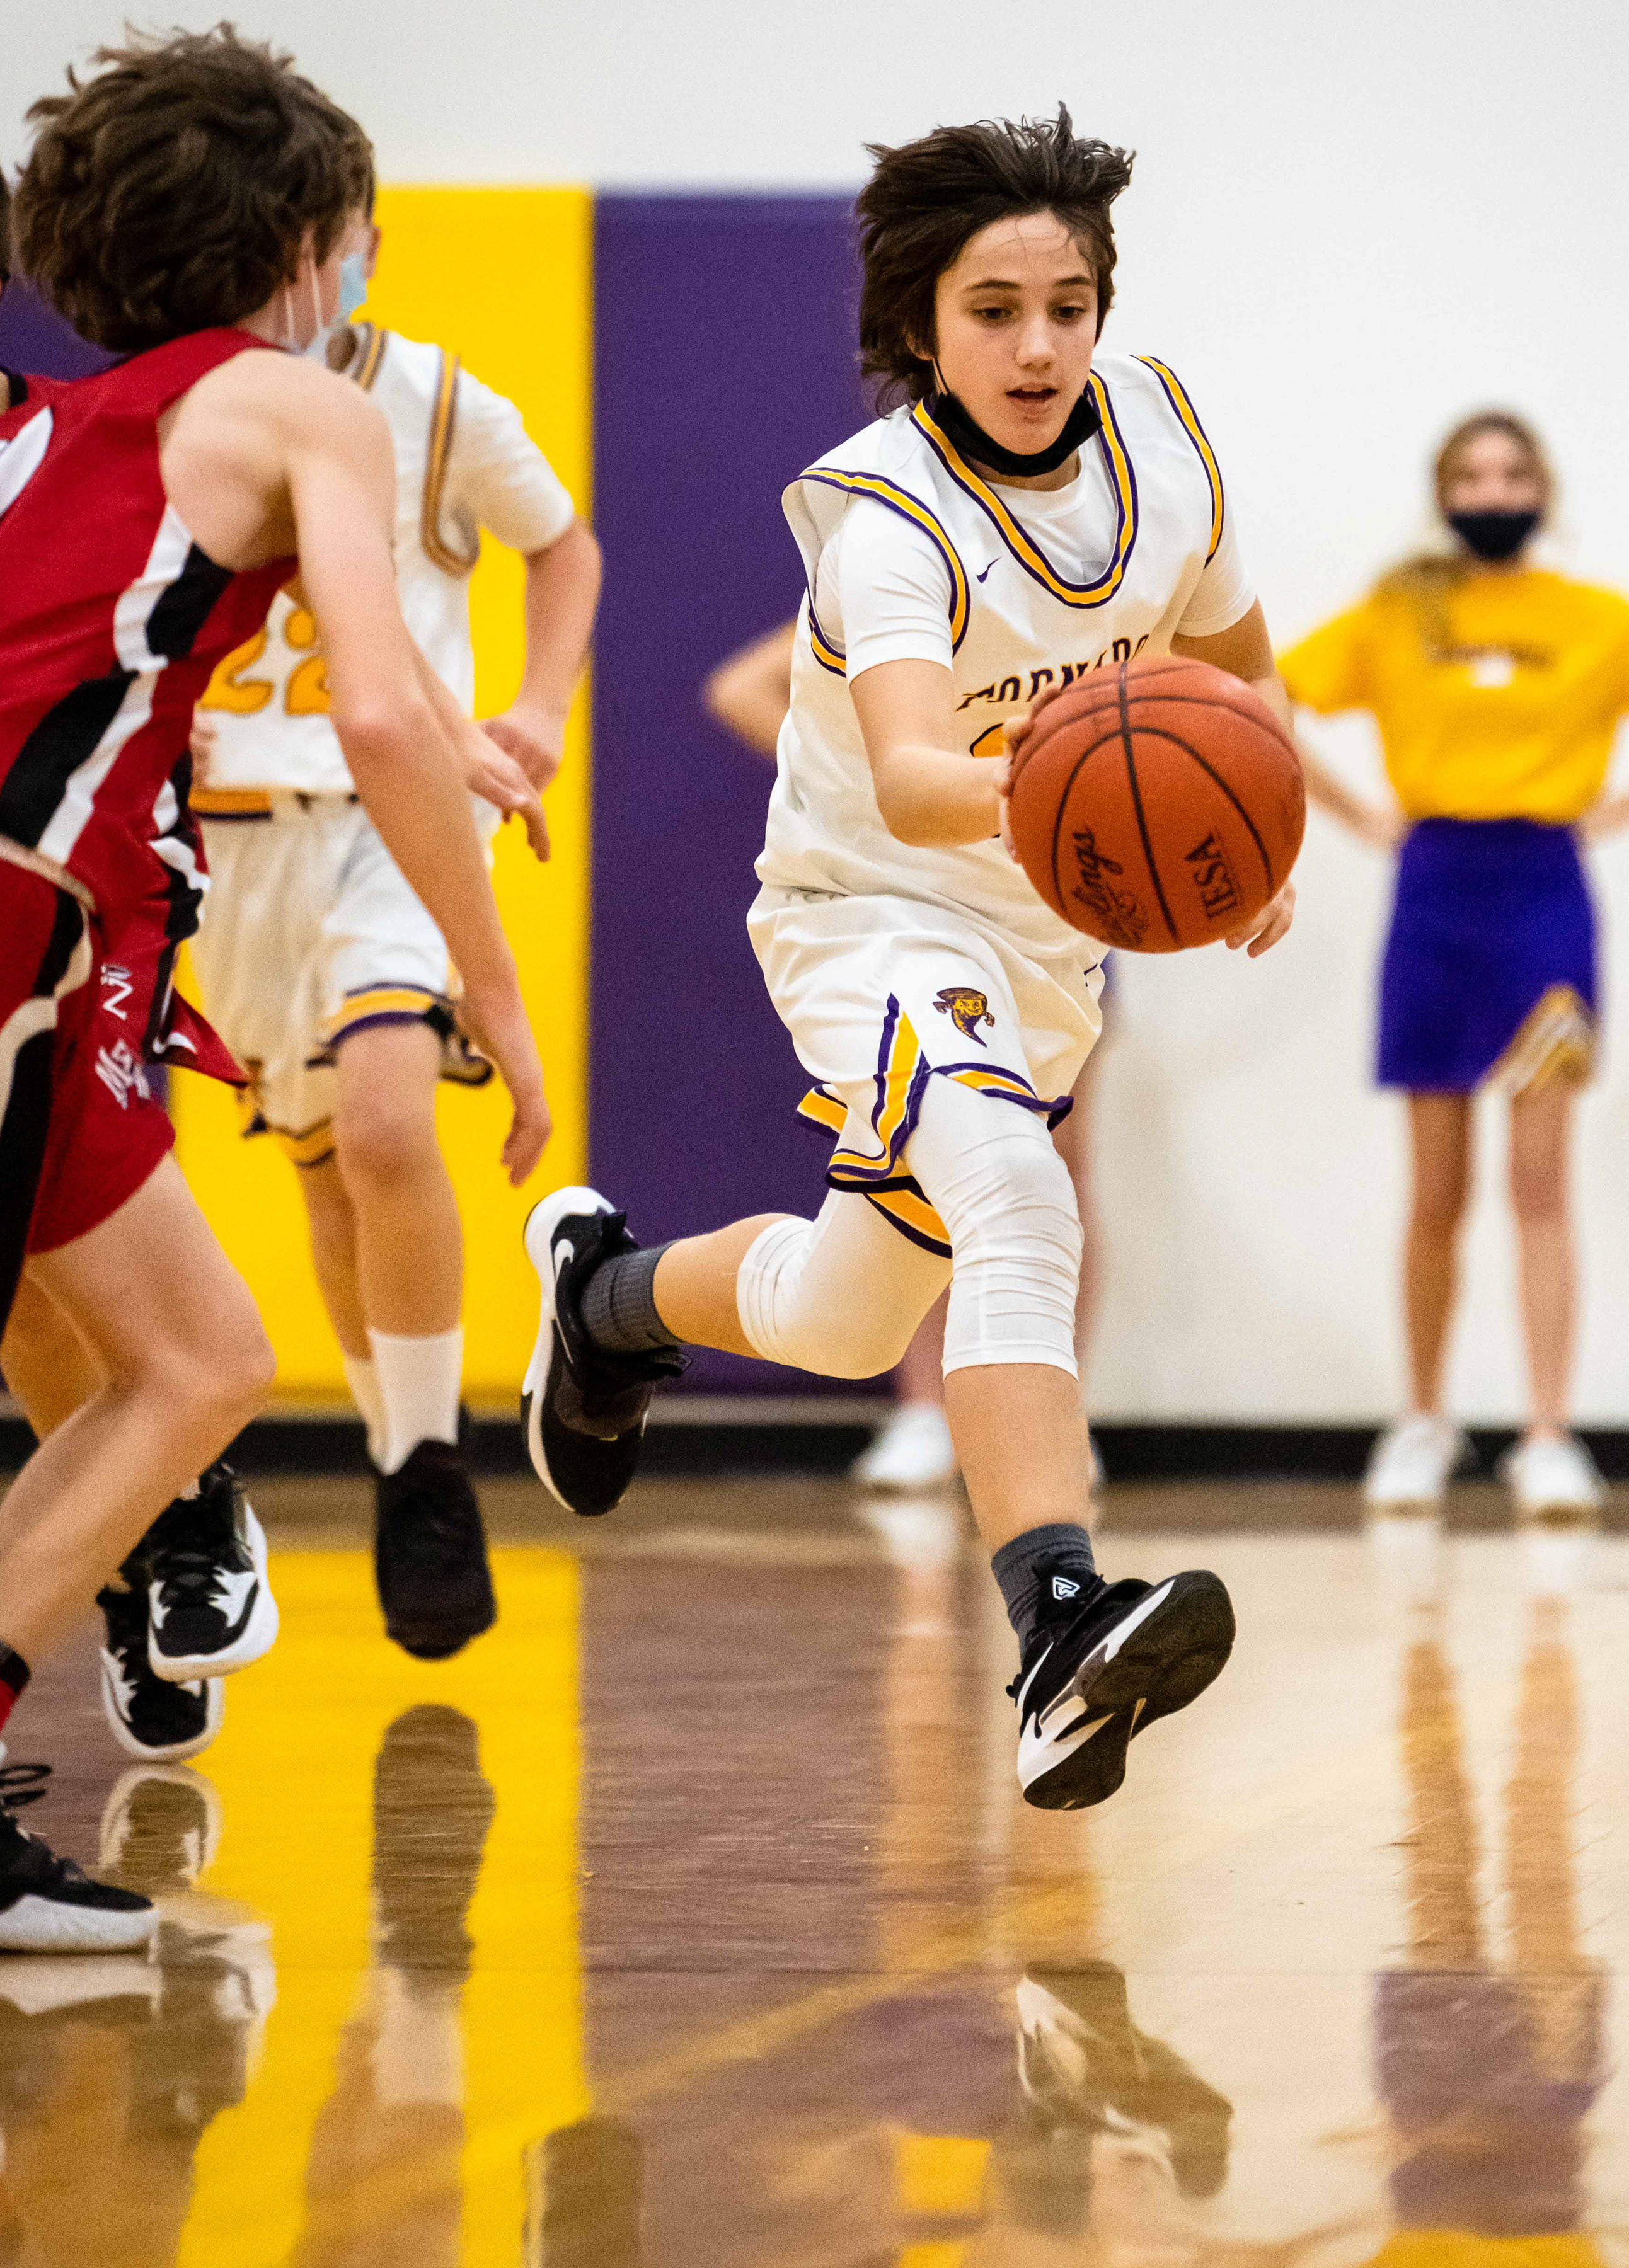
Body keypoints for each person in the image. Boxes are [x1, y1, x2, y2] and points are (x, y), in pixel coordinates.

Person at [0, 26, 549, 1954]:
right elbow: (381, 713)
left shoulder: (29, 437)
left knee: (203, 1359)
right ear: (312, 245)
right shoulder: (305, 405)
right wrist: (494, 990)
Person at [524, 108, 1291, 1813]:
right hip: (870, 912)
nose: (1037, 347)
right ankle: (1059, 1626)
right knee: (1019, 1195)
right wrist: (1084, 775)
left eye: (1067, 307)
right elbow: (914, 774)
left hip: (1044, 944)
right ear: (923, 327)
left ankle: (606, 1303)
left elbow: (1242, 671)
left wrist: (1256, 836)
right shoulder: (887, 517)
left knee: (847, 1310)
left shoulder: (1165, 441)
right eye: (994, 310)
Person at [0, 117, 280, 1773]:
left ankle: (161, 1517)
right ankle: (152, 1522)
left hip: (87, 884)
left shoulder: (78, 445)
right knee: (10, 1295)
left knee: (88, 1274)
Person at [188, 205, 601, 1659]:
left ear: (359, 236)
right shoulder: (173, 406)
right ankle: (391, 1445)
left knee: (384, 1124)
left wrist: (537, 707)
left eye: (331, 233)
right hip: (231, 834)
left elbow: (563, 548)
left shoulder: (431, 399)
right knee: (321, 1169)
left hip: (397, 815)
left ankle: (431, 1465)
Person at [1281, 411, 1629, 1520]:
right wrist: (1355, 814)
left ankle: (1548, 1434)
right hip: (1433, 890)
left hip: (1545, 894)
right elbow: (1266, 693)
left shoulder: (1596, 619)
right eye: (1470, 474)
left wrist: (1623, 808)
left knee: (1540, 1183)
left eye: (1511, 473)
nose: (1492, 491)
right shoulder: (1399, 610)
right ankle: (1421, 1421)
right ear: (1441, 491)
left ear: (1543, 490)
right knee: (1434, 1190)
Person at [705, 618, 1104, 1494]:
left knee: (1052, 1169)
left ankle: (1048, 1405)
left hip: (1058, 907)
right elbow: (741, 688)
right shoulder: (907, 579)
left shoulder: (1107, 591)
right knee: (975, 1171)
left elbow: (1232, 675)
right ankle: (934, 1415)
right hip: (912, 905)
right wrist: (842, 775)